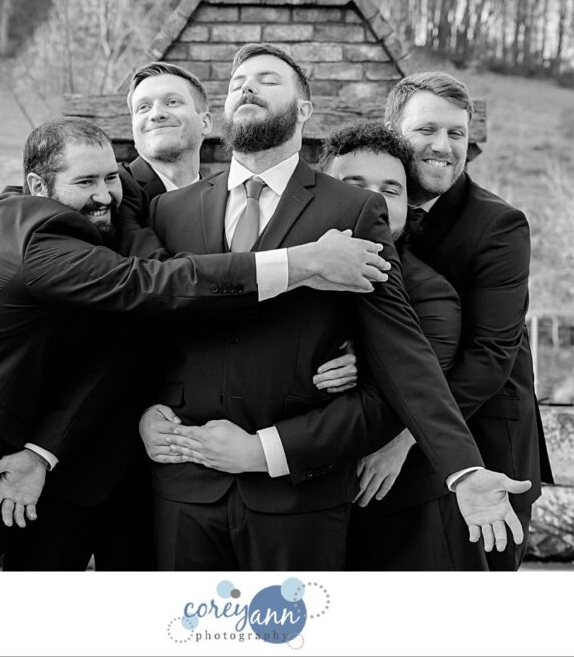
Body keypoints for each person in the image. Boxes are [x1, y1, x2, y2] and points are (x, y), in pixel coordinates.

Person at [0, 116, 390, 570]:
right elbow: (153, 283)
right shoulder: (39, 235)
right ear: (38, 188)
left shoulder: (57, 220)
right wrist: (304, 261)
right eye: (85, 183)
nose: (105, 196)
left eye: (110, 179)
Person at [142, 43, 531, 571]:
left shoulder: (351, 208)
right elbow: (142, 330)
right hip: (183, 486)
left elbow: (401, 349)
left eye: (269, 80)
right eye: (238, 83)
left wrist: (462, 469)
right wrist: (141, 414)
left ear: (304, 109)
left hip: (299, 495)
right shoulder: (171, 209)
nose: (248, 88)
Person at [387, 71, 554, 570]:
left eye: (457, 134)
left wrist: (404, 437)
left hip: (484, 439)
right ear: (392, 130)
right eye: (427, 130)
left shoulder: (499, 225)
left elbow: (491, 355)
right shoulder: (367, 205)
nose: (444, 146)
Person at [318, 120, 487, 570]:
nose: (371, 201)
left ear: (408, 205)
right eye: (352, 185)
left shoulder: (431, 294)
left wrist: (365, 361)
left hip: (402, 513)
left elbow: (414, 387)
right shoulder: (285, 271)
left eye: (389, 190)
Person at [123, 61, 210, 196]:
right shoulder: (114, 191)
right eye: (143, 107)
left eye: (172, 102)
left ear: (205, 123)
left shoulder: (225, 203)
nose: (157, 114)